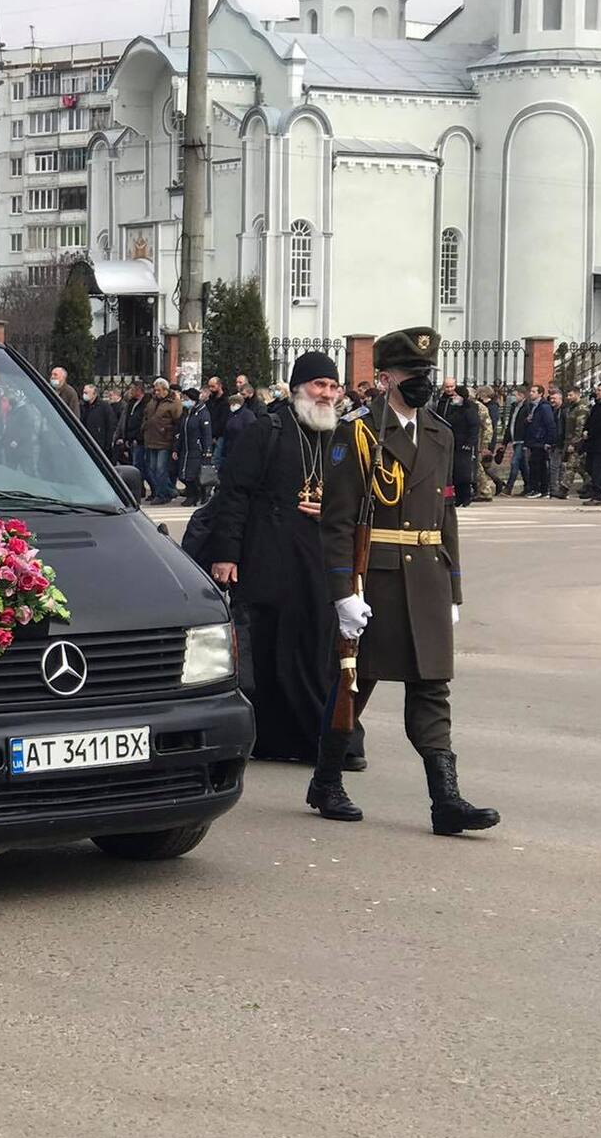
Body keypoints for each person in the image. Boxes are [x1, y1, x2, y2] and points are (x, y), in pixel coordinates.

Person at [312, 327, 498, 835]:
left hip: (427, 577)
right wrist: (343, 593)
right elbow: (337, 522)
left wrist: (454, 586)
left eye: (427, 374)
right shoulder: (359, 432)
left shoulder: (440, 432)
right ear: (387, 377)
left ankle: (446, 801)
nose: (422, 382)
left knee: (433, 688)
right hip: (377, 578)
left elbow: (446, 513)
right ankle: (327, 781)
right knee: (356, 682)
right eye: (412, 374)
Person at [202, 351, 360, 768]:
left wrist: (331, 509)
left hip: (322, 559)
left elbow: (362, 499)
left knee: (316, 646)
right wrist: (226, 554)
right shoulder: (265, 431)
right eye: (318, 386)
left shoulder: (341, 437)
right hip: (269, 555)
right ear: (296, 389)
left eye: (332, 386)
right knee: (273, 649)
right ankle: (278, 738)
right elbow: (233, 495)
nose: (326, 394)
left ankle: (326, 738)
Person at [136, 377, 181, 502]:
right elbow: (146, 415)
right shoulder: (152, 401)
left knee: (161, 469)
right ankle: (169, 490)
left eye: (158, 390)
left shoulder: (173, 403)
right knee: (152, 468)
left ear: (165, 390)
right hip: (151, 439)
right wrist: (144, 427)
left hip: (164, 440)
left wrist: (170, 434)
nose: (156, 393)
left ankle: (162, 495)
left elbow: (177, 421)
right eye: (155, 390)